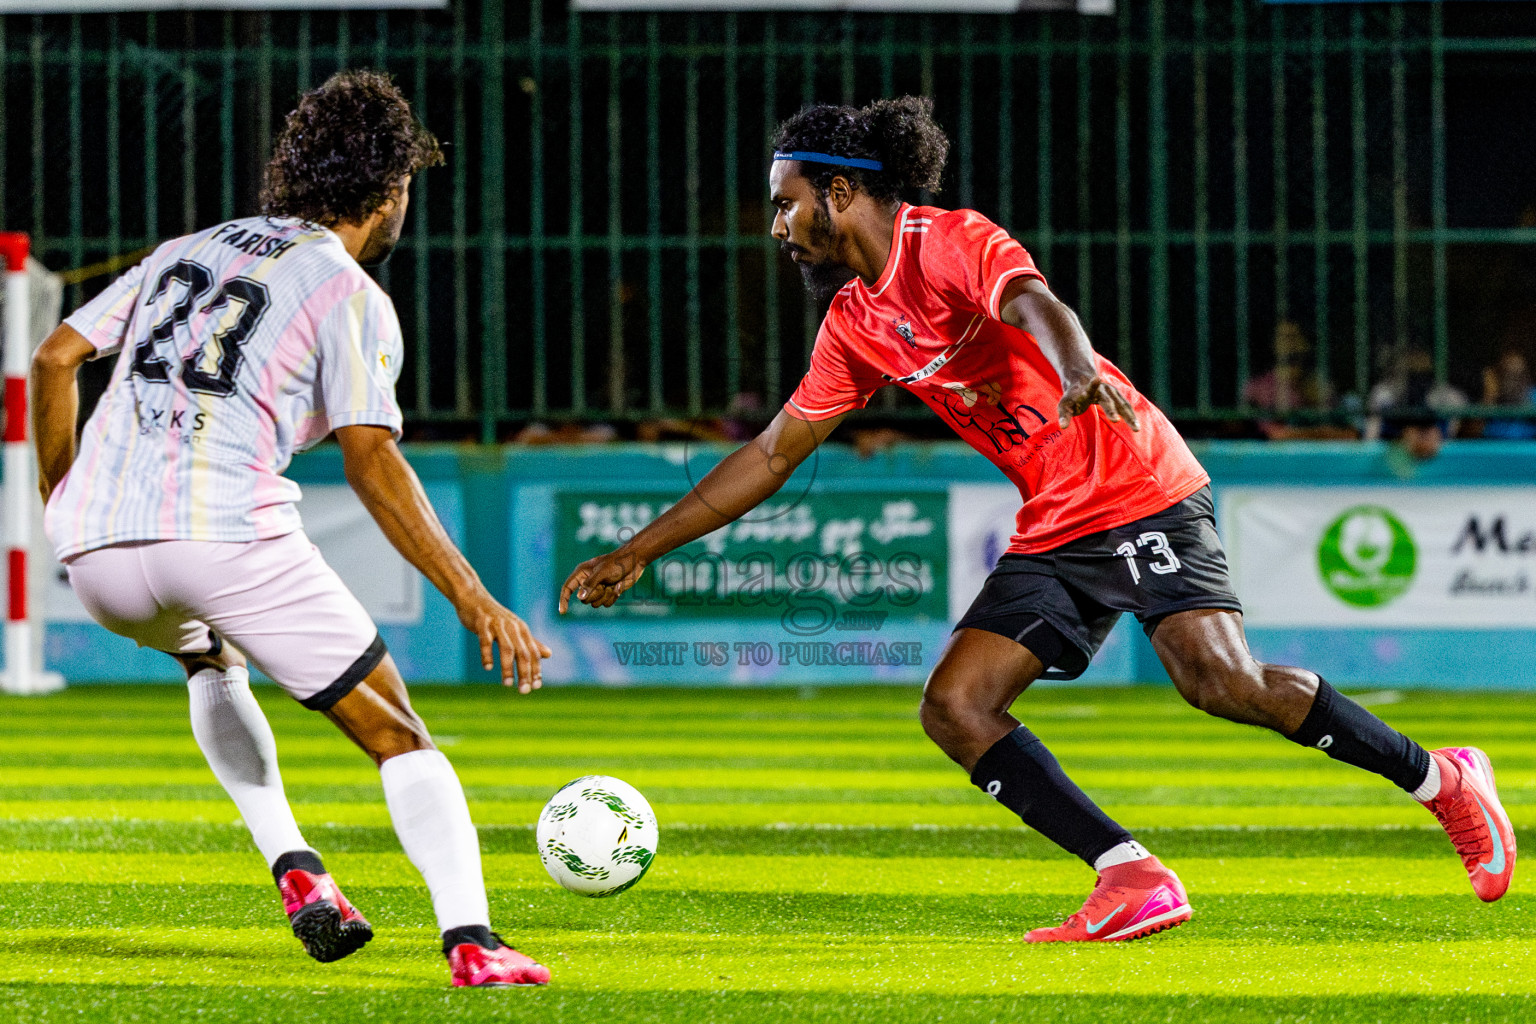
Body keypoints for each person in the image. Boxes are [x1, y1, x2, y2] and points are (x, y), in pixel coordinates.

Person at [560, 97, 1515, 942]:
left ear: (841, 193)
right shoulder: (853, 320)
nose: (777, 224)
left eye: (785, 201)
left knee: (1218, 682)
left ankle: (1441, 780)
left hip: (1135, 479)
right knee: (956, 707)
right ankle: (1128, 874)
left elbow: (1030, 298)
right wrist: (638, 548)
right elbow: (772, 454)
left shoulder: (947, 240)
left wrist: (1075, 367)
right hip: (1056, 519)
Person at [30, 71, 552, 987]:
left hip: (94, 552)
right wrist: (475, 599)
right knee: (395, 731)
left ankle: (297, 868)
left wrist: (66, 500)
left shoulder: (185, 249)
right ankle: (474, 941)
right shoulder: (346, 287)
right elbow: (372, 459)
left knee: (208, 660)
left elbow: (57, 355)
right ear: (388, 188)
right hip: (223, 530)